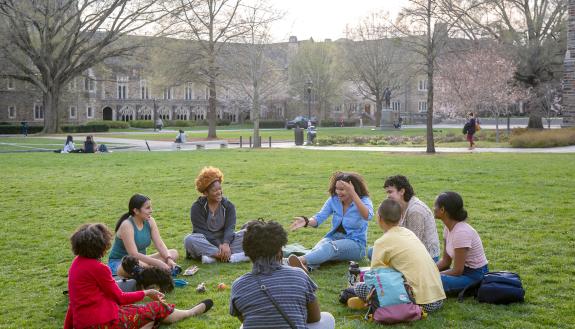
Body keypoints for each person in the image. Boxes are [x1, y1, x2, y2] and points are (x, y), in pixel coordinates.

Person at [64, 223, 213, 329]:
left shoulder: (75, 265)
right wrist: (147, 292)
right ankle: (190, 312)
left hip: (84, 323)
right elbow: (120, 297)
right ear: (100, 246)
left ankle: (152, 322)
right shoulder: (99, 269)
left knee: (142, 313)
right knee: (156, 308)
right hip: (104, 323)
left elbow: (74, 303)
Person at [230, 220, 335, 329]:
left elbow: (245, 319)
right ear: (280, 251)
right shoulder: (299, 275)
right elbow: (314, 318)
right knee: (328, 318)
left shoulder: (238, 285)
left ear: (247, 253)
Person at [351, 199, 446, 313]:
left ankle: (368, 302)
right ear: (401, 217)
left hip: (420, 302)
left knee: (359, 287)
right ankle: (369, 301)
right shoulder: (409, 233)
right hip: (438, 298)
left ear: (379, 218)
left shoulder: (381, 243)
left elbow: (375, 280)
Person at [289, 171, 374, 272]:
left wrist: (353, 194)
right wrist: (306, 221)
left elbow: (367, 216)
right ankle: (307, 268)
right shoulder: (334, 200)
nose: (338, 192)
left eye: (342, 189)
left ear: (352, 189)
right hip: (334, 238)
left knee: (330, 247)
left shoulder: (363, 200)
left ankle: (295, 261)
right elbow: (319, 217)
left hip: (356, 244)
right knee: (320, 248)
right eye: (336, 188)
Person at [184, 167, 249, 264]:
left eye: (220, 189)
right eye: (215, 190)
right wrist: (219, 245)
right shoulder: (197, 207)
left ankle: (213, 258)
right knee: (189, 240)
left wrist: (226, 244)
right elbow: (202, 231)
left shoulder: (228, 206)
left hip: (227, 243)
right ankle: (231, 257)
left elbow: (230, 228)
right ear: (205, 193)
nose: (219, 192)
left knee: (250, 233)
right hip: (207, 242)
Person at [108, 194, 180, 277]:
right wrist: (158, 263)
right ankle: (154, 270)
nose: (151, 210)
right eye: (147, 208)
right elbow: (133, 255)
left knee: (173, 253)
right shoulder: (127, 225)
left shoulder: (150, 221)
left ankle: (151, 271)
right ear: (136, 211)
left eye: (151, 207)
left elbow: (159, 244)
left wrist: (168, 259)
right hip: (122, 263)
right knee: (139, 266)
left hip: (142, 260)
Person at [372, 175, 439, 261]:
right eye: (387, 193)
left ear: (402, 191)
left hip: (426, 257)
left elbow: (413, 244)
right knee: (375, 251)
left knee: (380, 253)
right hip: (407, 250)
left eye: (390, 192)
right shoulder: (399, 206)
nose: (387, 196)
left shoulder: (415, 211)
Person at [434, 191, 488, 295]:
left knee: (433, 281)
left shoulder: (461, 232)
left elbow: (457, 270)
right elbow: (446, 261)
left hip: (475, 275)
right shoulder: (447, 228)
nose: (433, 208)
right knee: (429, 278)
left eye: (435, 205)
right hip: (462, 272)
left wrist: (432, 275)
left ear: (442, 210)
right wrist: (426, 271)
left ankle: (473, 288)